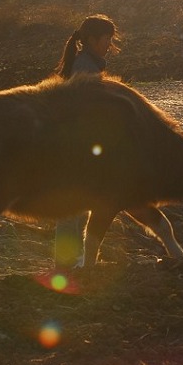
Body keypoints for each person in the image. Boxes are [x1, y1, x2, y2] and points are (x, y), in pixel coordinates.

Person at [53, 14, 120, 269]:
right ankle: (66, 263)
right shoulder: (86, 68)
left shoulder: (86, 64)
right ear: (92, 40)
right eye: (106, 40)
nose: (109, 45)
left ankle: (70, 260)